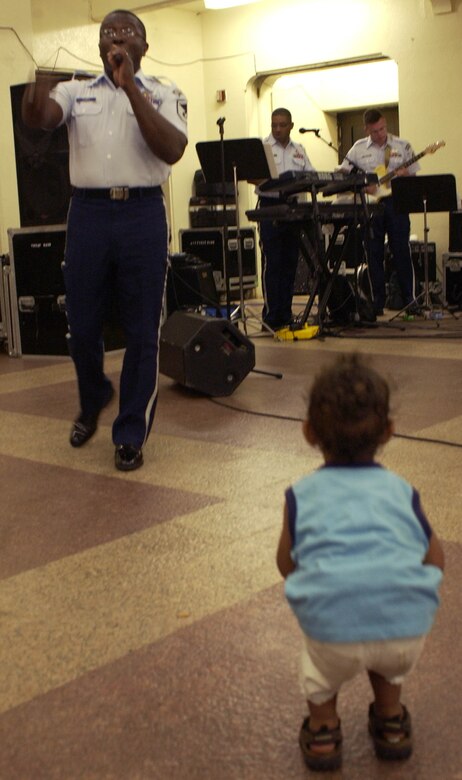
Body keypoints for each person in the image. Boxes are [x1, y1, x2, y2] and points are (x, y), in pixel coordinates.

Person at [22, 9, 188, 471]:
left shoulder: (165, 92)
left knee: (142, 332)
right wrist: (34, 100)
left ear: (143, 46)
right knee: (81, 326)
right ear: (99, 48)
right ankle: (93, 395)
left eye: (125, 32)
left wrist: (129, 85)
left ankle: (130, 432)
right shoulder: (76, 92)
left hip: (142, 213)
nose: (115, 37)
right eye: (107, 33)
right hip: (89, 214)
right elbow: (44, 117)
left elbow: (171, 149)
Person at [276, 353, 444, 772]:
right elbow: (435, 557)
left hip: (332, 631)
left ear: (309, 433)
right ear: (389, 431)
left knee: (319, 670)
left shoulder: (301, 495)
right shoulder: (402, 491)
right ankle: (390, 723)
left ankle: (323, 733)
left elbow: (285, 563)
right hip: (404, 631)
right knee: (387, 660)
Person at [339, 109, 419, 316]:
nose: (380, 133)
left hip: (397, 203)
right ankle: (377, 302)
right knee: (373, 253)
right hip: (371, 204)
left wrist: (405, 174)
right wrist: (362, 187)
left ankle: (409, 299)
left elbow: (414, 178)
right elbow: (344, 178)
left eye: (383, 128)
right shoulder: (357, 149)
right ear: (367, 129)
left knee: (401, 250)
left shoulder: (403, 145)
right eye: (375, 131)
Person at [256, 108, 315, 331]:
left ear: (291, 125)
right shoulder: (262, 147)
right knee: (273, 263)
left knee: (290, 262)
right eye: (274, 125)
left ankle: (286, 314)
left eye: (282, 125)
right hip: (270, 207)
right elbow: (253, 176)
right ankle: (271, 317)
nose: (278, 129)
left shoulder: (299, 150)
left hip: (293, 209)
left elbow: (310, 174)